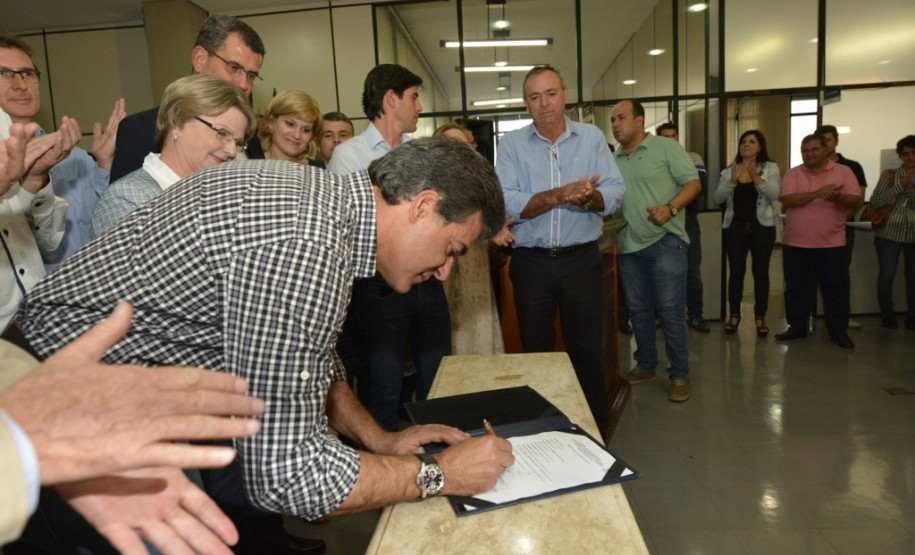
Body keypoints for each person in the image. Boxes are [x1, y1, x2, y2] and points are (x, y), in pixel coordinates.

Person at [17, 139, 514, 537]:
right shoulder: (305, 243)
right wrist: (439, 474)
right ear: (423, 205)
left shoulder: (322, 206)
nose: (447, 271)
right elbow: (289, 476)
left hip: (95, 399)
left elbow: (310, 357)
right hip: (50, 414)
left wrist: (378, 439)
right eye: (452, 248)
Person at [1, 126, 265, 553]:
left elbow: (45, 243)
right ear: (177, 125)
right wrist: (28, 451)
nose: (230, 147)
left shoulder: (215, 189)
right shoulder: (131, 196)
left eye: (238, 138)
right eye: (219, 130)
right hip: (88, 368)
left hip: (52, 373)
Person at [496, 66, 625, 430]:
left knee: (586, 351)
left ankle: (593, 430)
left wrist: (590, 197)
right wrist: (559, 195)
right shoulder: (511, 145)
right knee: (537, 352)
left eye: (550, 93)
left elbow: (615, 192)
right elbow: (507, 202)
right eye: (534, 97)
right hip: (531, 263)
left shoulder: (591, 138)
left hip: (580, 262)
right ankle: (543, 430)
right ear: (525, 103)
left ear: (565, 94)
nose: (544, 103)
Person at [328, 64, 452, 432]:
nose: (420, 107)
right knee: (385, 386)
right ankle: (389, 474)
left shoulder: (424, 155)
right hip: (379, 290)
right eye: (414, 97)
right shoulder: (349, 157)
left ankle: (441, 456)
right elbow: (359, 230)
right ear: (391, 99)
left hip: (429, 285)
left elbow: (440, 216)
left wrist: (444, 256)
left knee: (439, 379)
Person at [0, 36, 126, 273]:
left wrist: (105, 162)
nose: (20, 84)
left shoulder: (75, 157)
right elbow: (37, 245)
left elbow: (106, 224)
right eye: (3, 73)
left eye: (27, 73)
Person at [611, 99, 701, 403]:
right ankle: (646, 366)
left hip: (665, 242)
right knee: (638, 312)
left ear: (639, 120)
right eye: (612, 120)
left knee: (671, 313)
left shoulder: (666, 147)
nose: (615, 125)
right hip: (627, 245)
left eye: (621, 118)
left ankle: (680, 376)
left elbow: (693, 183)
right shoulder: (614, 159)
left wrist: (671, 207)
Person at [90, 74, 255, 238]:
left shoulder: (222, 196)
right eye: (222, 132)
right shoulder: (127, 199)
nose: (232, 151)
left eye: (238, 143)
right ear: (177, 122)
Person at [109, 15, 266, 181]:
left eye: (251, 75)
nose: (244, 84)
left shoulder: (248, 138)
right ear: (200, 59)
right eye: (234, 67)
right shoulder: (140, 130)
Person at [775, 134, 862, 348]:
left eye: (814, 149)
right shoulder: (793, 173)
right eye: (805, 150)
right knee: (796, 289)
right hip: (796, 244)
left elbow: (855, 199)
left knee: (835, 289)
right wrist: (817, 194)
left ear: (825, 150)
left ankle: (838, 332)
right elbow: (787, 199)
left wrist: (836, 198)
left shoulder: (843, 172)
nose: (809, 154)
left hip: (831, 245)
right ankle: (797, 328)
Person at [434, 122, 504, 355]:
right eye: (447, 145)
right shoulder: (426, 184)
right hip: (440, 264)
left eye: (460, 144)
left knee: (477, 322)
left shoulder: (483, 182)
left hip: (475, 262)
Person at [712, 130, 781, 338]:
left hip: (762, 228)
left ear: (760, 146)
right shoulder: (729, 170)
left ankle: (760, 316)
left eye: (752, 142)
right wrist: (732, 181)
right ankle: (734, 316)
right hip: (736, 228)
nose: (746, 145)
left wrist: (754, 176)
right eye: (743, 142)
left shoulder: (770, 168)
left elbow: (774, 193)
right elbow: (717, 198)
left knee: (760, 273)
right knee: (736, 273)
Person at [657, 122, 710, 333]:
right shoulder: (655, 161)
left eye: (673, 136)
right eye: (665, 137)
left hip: (687, 222)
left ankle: (695, 315)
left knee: (692, 271)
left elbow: (698, 187)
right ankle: (661, 317)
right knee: (661, 273)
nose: (671, 140)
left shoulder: (693, 158)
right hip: (662, 222)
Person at [816, 124, 868, 329]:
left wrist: (837, 221)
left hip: (842, 228)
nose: (825, 144)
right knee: (813, 274)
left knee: (838, 275)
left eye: (828, 140)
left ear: (836, 141)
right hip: (815, 230)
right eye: (821, 141)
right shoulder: (811, 165)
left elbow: (857, 200)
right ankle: (810, 318)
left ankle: (841, 319)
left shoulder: (851, 167)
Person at [870, 135, 915, 330]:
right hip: (889, 233)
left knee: (913, 276)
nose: (911, 157)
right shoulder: (890, 175)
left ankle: (912, 316)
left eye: (914, 153)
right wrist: (901, 185)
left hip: (913, 234)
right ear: (900, 156)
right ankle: (887, 315)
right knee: (887, 274)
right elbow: (876, 201)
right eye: (906, 154)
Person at [260, 88, 323, 167]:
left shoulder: (318, 170)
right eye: (290, 124)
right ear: (271, 122)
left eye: (306, 130)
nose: (297, 135)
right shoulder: (250, 165)